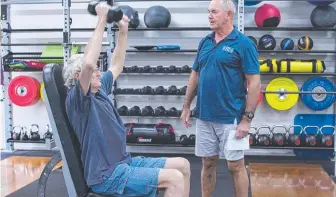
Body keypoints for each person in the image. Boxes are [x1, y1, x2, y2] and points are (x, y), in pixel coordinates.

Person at [62, 3, 190, 197]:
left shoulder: (100, 89)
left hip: (124, 162)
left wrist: (123, 30)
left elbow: (117, 65)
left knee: (183, 165)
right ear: (79, 76)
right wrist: (101, 19)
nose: (99, 71)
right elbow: (88, 63)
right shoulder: (79, 99)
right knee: (174, 178)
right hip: (107, 175)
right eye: (95, 70)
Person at [180, 0, 261, 196]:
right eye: (208, 12)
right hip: (205, 115)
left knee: (236, 166)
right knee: (207, 163)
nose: (209, 16)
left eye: (214, 12)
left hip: (231, 117)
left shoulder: (243, 44)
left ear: (228, 15)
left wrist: (246, 119)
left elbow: (255, 83)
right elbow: (195, 75)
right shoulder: (205, 41)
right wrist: (186, 106)